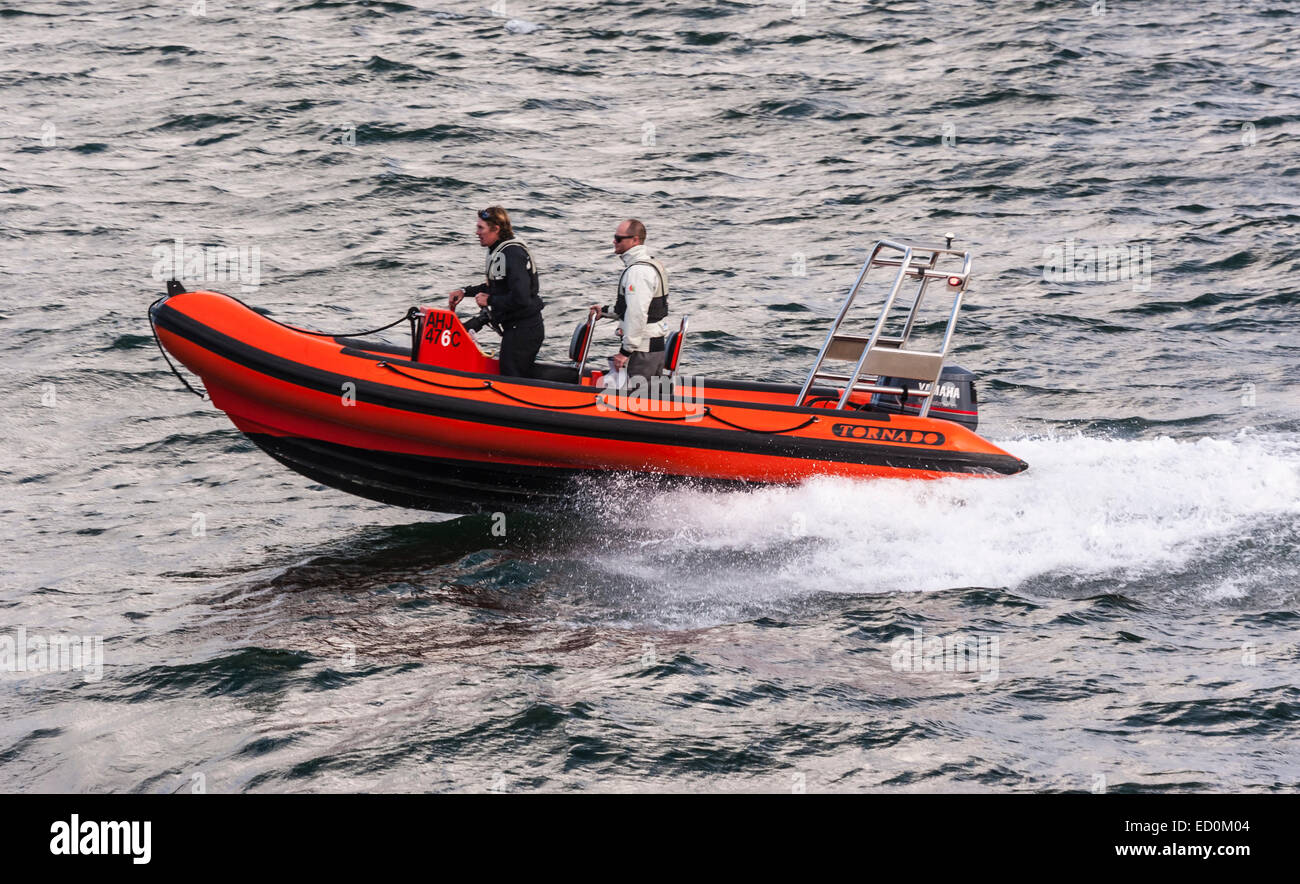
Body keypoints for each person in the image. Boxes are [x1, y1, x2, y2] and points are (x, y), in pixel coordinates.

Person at [449, 206, 545, 378]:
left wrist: (491, 300)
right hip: (515, 328)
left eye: (481, 228)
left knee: (511, 377)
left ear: (496, 229)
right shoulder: (499, 251)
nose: (476, 232)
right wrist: (465, 291)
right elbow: (497, 287)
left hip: (524, 329)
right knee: (510, 371)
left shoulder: (512, 253)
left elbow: (521, 298)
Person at [590, 218, 669, 385]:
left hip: (642, 352)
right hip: (652, 347)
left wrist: (625, 352)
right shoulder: (650, 264)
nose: (614, 241)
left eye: (619, 238)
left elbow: (637, 313)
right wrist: (604, 311)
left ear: (635, 240)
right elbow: (635, 307)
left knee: (635, 402)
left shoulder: (638, 271)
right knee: (647, 400)